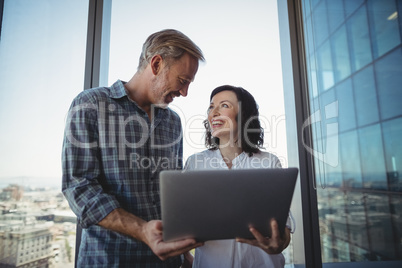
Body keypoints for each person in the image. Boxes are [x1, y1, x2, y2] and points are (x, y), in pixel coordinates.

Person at [62, 29, 205, 267]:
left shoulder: (173, 122)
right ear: (157, 63)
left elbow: (172, 195)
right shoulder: (91, 104)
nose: (185, 92)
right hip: (109, 260)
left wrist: (183, 254)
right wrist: (143, 231)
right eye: (183, 81)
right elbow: (79, 187)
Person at [184, 85, 293, 268]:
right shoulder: (195, 163)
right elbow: (183, 223)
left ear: (244, 115)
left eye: (224, 105)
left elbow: (283, 230)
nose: (214, 113)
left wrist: (278, 244)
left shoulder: (269, 163)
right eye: (211, 107)